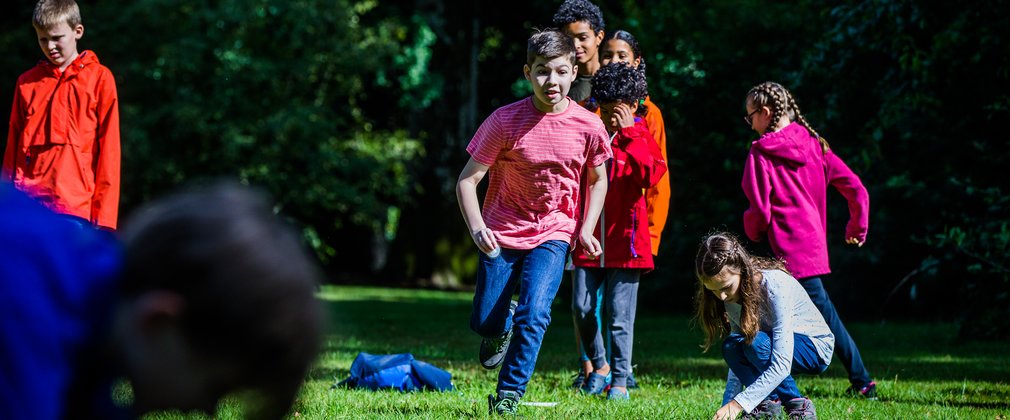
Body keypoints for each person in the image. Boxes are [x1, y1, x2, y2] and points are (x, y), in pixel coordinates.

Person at [0, 182, 325, 419]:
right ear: (159, 321)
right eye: (213, 390)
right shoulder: (24, 308)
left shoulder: (98, 311)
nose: (206, 411)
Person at [455, 28, 612, 416]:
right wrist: (478, 228)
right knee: (485, 322)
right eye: (542, 71)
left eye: (560, 71)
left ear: (574, 72)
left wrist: (586, 227)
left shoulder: (588, 126)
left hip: (555, 231)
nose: (552, 81)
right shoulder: (505, 121)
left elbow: (598, 178)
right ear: (528, 72)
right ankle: (498, 326)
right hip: (501, 231)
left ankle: (509, 394)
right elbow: (467, 180)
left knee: (536, 312)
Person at [741, 81, 877, 399]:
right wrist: (857, 227)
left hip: (784, 251)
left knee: (786, 320)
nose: (749, 125)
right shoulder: (816, 144)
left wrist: (753, 231)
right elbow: (856, 188)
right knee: (802, 317)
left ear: (764, 113)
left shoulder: (761, 153)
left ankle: (859, 381)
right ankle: (857, 381)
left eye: (749, 118)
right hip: (813, 249)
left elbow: (759, 208)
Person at [570, 62, 666, 401]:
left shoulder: (642, 133)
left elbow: (650, 178)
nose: (610, 116)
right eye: (605, 109)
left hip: (628, 243)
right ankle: (601, 365)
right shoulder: (590, 127)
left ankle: (621, 383)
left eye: (617, 111)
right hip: (589, 239)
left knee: (620, 319)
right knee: (582, 307)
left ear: (634, 106)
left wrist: (630, 134)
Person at [2, 0, 121, 230]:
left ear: (78, 31)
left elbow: (110, 152)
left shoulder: (100, 78)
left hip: (75, 208)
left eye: (57, 38)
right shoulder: (26, 83)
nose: (50, 46)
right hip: (29, 207)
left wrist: (104, 219)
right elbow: (12, 148)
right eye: (43, 39)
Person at [695, 232, 834, 419]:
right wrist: (727, 403)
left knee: (754, 343)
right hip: (768, 345)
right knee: (731, 345)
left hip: (815, 349)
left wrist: (739, 404)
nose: (721, 297)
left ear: (741, 270)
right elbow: (738, 356)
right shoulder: (729, 299)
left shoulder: (775, 286)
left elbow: (782, 364)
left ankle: (799, 407)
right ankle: (766, 407)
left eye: (726, 287)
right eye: (714, 291)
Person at [599, 29, 671, 258]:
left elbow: (658, 183)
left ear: (636, 61)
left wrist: (652, 235)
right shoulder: (590, 107)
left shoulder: (649, 113)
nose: (614, 61)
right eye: (607, 55)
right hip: (591, 232)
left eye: (622, 55)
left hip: (631, 232)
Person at [552, 0, 606, 106]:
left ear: (599, 37)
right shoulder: (558, 84)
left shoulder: (614, 79)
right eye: (569, 39)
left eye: (583, 38)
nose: (576, 45)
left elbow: (641, 103)